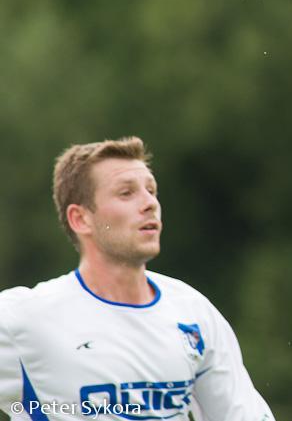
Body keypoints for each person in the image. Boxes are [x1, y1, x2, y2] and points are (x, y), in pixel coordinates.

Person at [0, 137, 275, 420]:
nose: (149, 203)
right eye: (126, 193)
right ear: (80, 219)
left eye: (151, 190)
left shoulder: (194, 313)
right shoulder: (23, 318)